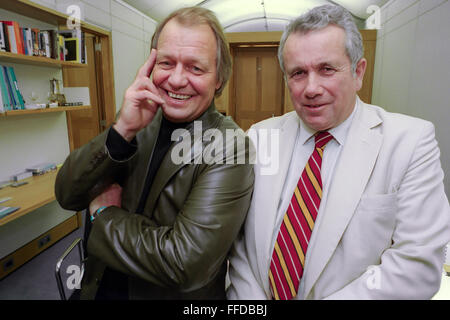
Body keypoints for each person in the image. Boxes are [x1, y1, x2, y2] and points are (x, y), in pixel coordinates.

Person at [227, 4, 450, 300]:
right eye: (298, 73)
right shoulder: (258, 137)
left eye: (326, 69)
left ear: (358, 72)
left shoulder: (410, 143)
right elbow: (240, 246)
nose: (311, 88)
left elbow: (416, 266)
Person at [55, 7, 254, 300]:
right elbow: (67, 195)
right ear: (150, 66)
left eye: (195, 68)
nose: (175, 80)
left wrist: (104, 214)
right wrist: (121, 130)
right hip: (98, 287)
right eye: (166, 63)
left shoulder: (230, 145)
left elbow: (184, 263)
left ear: (219, 78)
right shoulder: (137, 119)